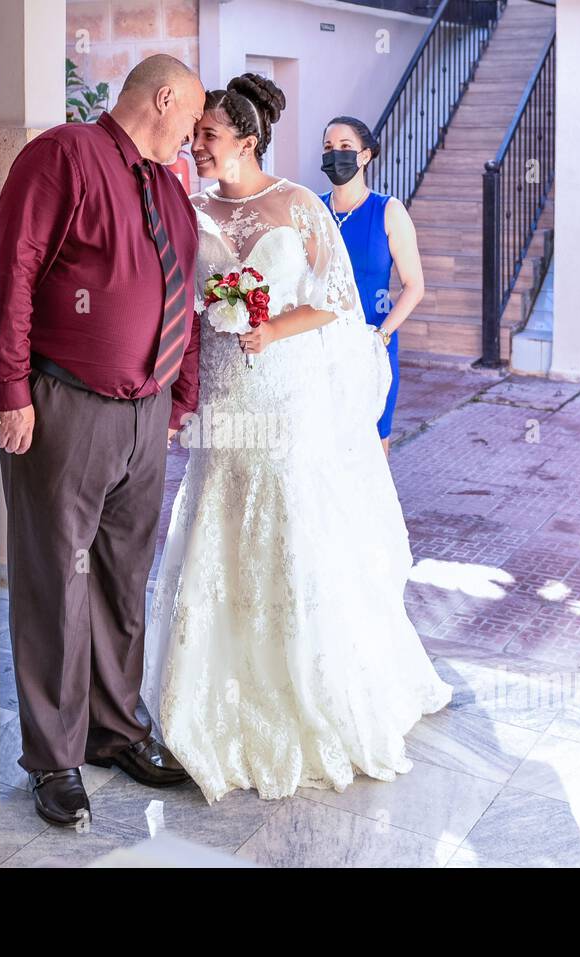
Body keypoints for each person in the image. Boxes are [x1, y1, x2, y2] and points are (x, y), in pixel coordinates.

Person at [140, 74, 455, 805]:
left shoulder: (298, 206)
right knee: (214, 511)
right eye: (195, 135)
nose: (197, 146)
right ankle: (206, 698)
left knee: (284, 518)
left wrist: (272, 325)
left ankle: (301, 691)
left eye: (209, 136)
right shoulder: (192, 208)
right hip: (222, 387)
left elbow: (337, 304)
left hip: (279, 390)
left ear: (247, 141)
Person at [0, 55, 207, 827]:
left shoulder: (166, 185)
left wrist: (178, 396)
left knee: (124, 579)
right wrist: (12, 389)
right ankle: (55, 756)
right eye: (192, 117)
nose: (194, 134)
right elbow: (11, 272)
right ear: (164, 99)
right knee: (56, 579)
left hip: (147, 414)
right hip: (66, 406)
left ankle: (116, 731)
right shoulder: (63, 156)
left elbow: (183, 283)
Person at [320, 116, 425, 454]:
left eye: (345, 147)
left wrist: (381, 336)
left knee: (371, 449)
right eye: (328, 148)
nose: (336, 155)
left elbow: (414, 285)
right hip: (319, 347)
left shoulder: (388, 210)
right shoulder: (313, 210)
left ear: (364, 155)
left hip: (371, 346)